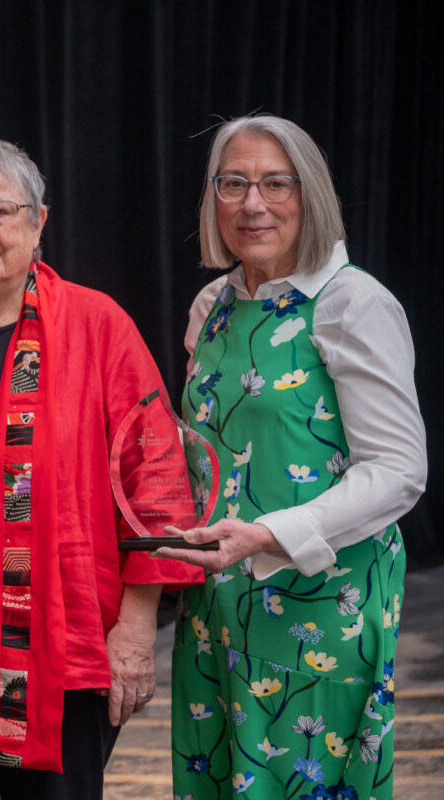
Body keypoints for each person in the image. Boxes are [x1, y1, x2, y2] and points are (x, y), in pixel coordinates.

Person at [0, 133, 203, 799]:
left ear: (38, 222)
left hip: (55, 641)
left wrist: (137, 630)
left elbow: (158, 479)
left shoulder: (96, 325)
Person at [157, 115, 426, 799]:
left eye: (277, 184)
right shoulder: (211, 305)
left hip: (320, 609)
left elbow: (398, 472)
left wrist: (269, 535)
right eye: (234, 183)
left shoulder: (352, 305)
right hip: (220, 603)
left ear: (310, 196)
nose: (253, 203)